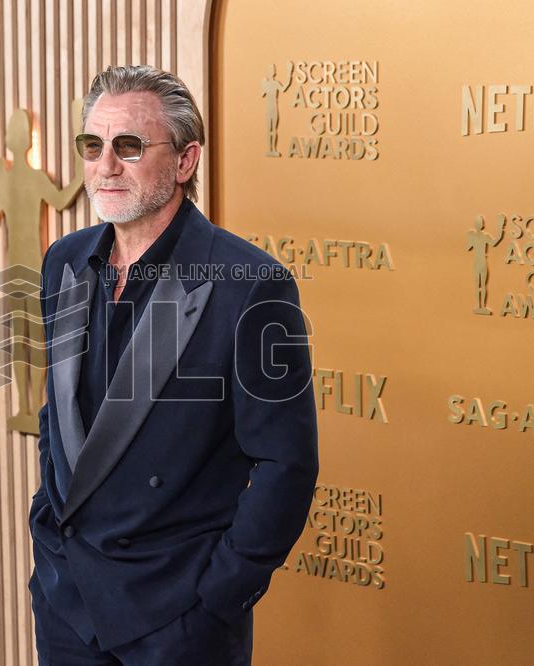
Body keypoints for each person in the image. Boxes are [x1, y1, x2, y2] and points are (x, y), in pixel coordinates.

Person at [28, 64, 319, 665]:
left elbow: (286, 463)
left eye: (129, 146)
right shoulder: (64, 261)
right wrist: (47, 528)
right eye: (92, 145)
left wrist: (218, 596)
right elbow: (59, 415)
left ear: (185, 161)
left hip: (178, 616)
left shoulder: (250, 284)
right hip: (67, 603)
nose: (105, 165)